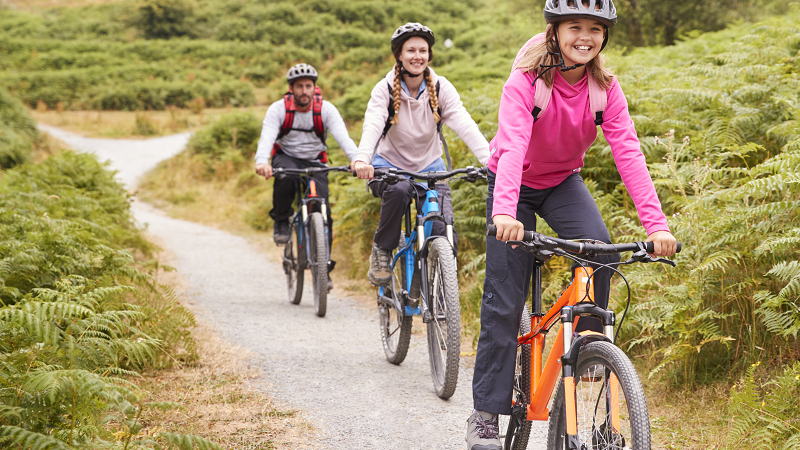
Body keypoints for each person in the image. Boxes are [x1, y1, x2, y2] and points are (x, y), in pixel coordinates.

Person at [465, 1, 678, 449]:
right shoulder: (526, 81)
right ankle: (484, 414)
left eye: (595, 29)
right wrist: (504, 213)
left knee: (600, 252)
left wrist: (656, 226)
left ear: (605, 36)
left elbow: (629, 153)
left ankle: (587, 355)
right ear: (554, 32)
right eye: (574, 27)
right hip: (513, 185)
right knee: (504, 300)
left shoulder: (604, 88)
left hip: (562, 181)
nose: (585, 36)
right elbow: (514, 144)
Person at [353, 22, 490, 287]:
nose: (418, 56)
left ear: (429, 55)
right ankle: (382, 249)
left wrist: (489, 159)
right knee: (400, 190)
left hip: (430, 166)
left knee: (442, 229)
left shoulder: (441, 87)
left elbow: (464, 123)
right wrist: (362, 159)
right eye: (411, 50)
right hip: (389, 165)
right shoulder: (384, 89)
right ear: (399, 55)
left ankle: (438, 285)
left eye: (423, 51)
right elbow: (373, 124)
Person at [254, 63, 358, 290]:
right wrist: (262, 162)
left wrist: (357, 160)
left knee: (324, 212)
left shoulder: (326, 109)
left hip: (315, 161)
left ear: (314, 87)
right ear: (291, 88)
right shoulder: (278, 109)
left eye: (308, 86)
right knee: (285, 178)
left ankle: (323, 270)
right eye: (299, 86)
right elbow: (267, 137)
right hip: (287, 157)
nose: (304, 91)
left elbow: (343, 137)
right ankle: (281, 221)